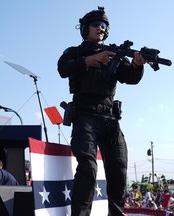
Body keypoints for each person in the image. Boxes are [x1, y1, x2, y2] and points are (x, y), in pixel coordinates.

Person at [57, 6, 146, 216]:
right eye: (96, 24)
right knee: (88, 168)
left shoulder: (115, 54)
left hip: (110, 118)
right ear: (85, 29)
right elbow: (63, 69)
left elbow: (130, 78)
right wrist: (92, 59)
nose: (101, 28)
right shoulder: (74, 52)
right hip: (85, 116)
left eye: (104, 25)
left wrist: (136, 64)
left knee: (118, 169)